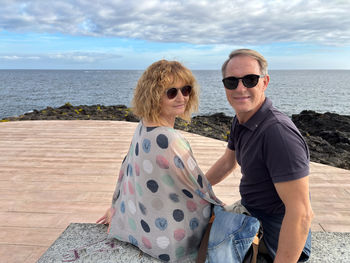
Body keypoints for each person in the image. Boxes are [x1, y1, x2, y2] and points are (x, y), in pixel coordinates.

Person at [97, 60, 222, 262]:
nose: (181, 97)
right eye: (171, 92)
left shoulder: (143, 127)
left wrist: (117, 206)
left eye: (186, 90)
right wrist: (221, 208)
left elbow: (126, 170)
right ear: (154, 96)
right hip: (173, 241)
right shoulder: (171, 140)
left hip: (143, 230)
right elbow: (200, 189)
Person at [205, 49, 314, 262]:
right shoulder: (242, 118)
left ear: (264, 82)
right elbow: (228, 163)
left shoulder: (278, 134)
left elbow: (301, 214)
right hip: (250, 209)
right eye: (231, 82)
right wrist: (195, 188)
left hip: (274, 236)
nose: (240, 88)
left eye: (250, 80)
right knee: (195, 222)